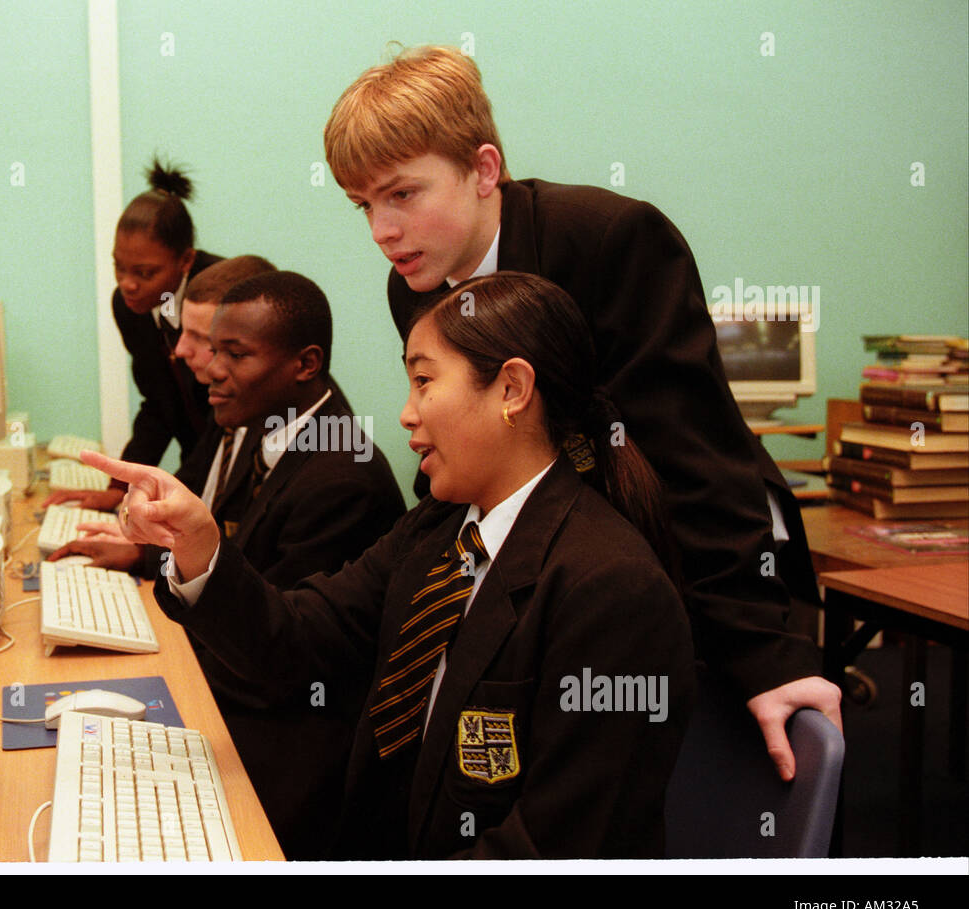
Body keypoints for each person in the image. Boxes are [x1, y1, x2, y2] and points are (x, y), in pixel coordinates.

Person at [322, 44, 840, 779]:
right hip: (569, 560)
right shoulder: (414, 284)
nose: (382, 230)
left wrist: (764, 647)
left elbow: (691, 451)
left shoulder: (610, 239)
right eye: (363, 205)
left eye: (402, 195)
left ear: (484, 170)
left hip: (690, 548)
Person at [83, 273, 695, 859]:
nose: (406, 413)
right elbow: (298, 638)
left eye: (424, 382)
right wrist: (197, 545)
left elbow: (553, 849)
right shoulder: (441, 526)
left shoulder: (611, 590)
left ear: (512, 389)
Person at [65, 270, 406, 858]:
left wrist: (144, 703)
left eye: (235, 354)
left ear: (305, 363)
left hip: (295, 748)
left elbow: (279, 656)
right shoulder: (262, 424)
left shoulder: (341, 478)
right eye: (212, 349)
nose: (210, 370)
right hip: (252, 693)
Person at [50, 158, 220, 513]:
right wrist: (122, 487)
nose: (127, 284)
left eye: (144, 272)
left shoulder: (222, 294)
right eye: (119, 266)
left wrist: (176, 498)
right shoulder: (130, 306)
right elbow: (158, 403)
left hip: (236, 463)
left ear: (186, 261)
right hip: (199, 460)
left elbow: (230, 421)